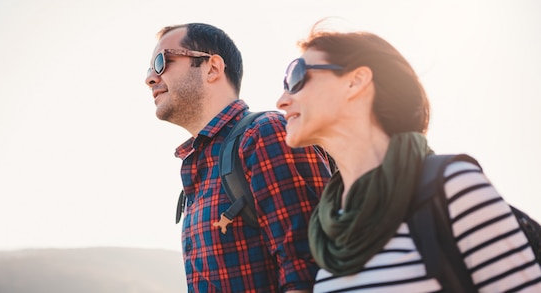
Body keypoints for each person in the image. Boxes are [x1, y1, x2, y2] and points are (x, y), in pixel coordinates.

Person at [276, 19, 541, 292]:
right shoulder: (329, 226)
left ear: (356, 82)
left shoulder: (451, 186)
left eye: (297, 77)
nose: (282, 100)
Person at [144, 22, 333, 293]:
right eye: (149, 69)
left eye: (161, 62)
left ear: (212, 68)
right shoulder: (201, 167)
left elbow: (309, 270)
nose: (150, 78)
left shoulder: (264, 134)